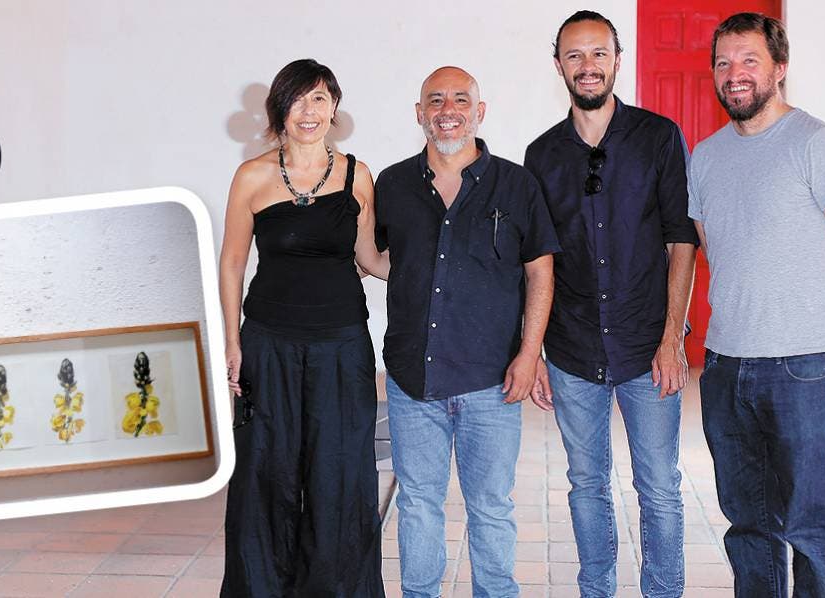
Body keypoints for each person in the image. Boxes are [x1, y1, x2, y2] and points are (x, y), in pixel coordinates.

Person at [689, 13, 825, 597]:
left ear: (780, 68)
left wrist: (820, 314)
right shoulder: (706, 157)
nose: (735, 73)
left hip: (804, 369)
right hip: (725, 367)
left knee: (811, 526)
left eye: (749, 60)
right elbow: (718, 251)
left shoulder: (816, 144)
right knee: (748, 525)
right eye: (723, 63)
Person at [524, 10, 698, 597]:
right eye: (574, 55)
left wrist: (672, 339)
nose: (588, 65)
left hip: (648, 347)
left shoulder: (659, 137)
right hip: (572, 348)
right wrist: (535, 349)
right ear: (558, 66)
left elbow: (681, 241)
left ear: (618, 60)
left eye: (598, 53)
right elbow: (536, 261)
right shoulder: (541, 155)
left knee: (660, 487)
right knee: (586, 485)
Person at [375, 66, 559, 598]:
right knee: (417, 504)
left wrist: (530, 353)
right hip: (413, 380)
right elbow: (381, 258)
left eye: (460, 99)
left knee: (491, 507)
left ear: (480, 112)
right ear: (419, 114)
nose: (447, 110)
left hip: (491, 380)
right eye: (435, 100)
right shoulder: (392, 184)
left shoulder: (516, 185)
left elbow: (540, 272)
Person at [218, 58, 387, 598]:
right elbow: (232, 263)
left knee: (341, 473)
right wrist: (231, 342)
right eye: (296, 99)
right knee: (266, 472)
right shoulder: (252, 176)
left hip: (342, 345)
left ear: (334, 107)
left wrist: (440, 260)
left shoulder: (359, 175)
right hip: (269, 343)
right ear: (279, 111)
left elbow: (370, 258)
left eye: (319, 98)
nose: (308, 111)